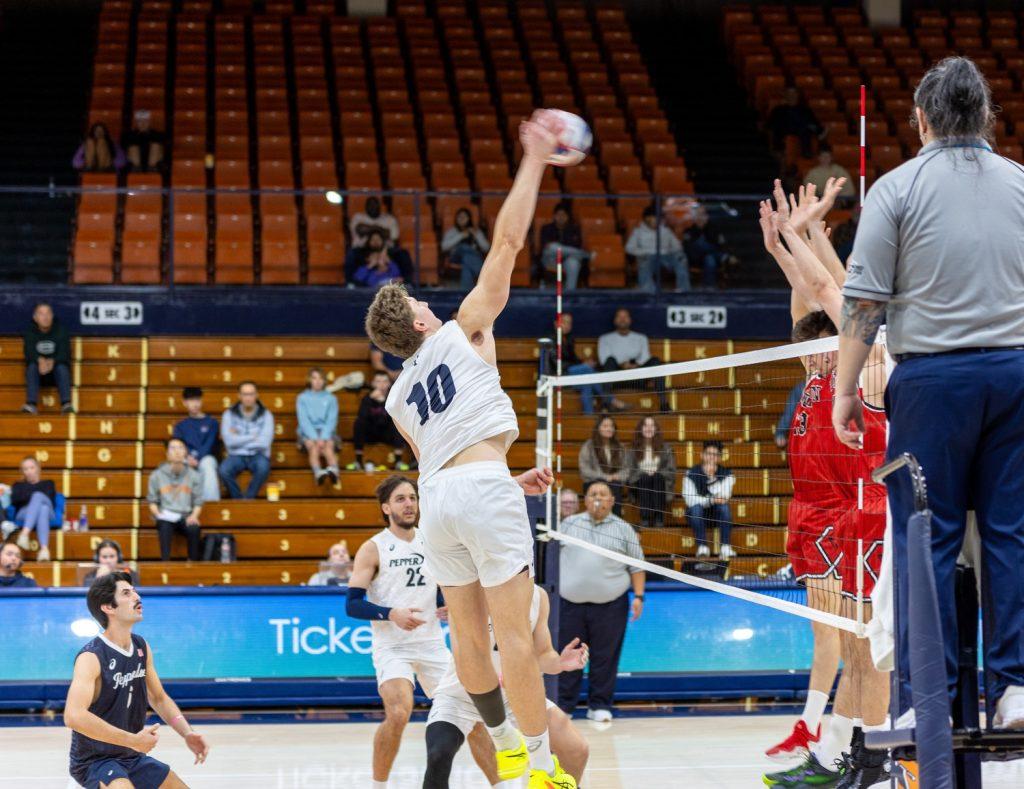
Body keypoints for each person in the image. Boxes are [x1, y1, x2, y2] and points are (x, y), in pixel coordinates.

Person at [366, 110, 573, 787]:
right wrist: (535, 157)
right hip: (481, 491)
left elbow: (448, 449)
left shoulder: (396, 400)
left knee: (468, 632)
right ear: (421, 318)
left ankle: (508, 741)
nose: (432, 301)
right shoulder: (465, 329)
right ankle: (540, 766)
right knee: (513, 633)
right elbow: (510, 240)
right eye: (424, 300)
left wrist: (510, 480)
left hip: (440, 500)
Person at [834, 56, 1024, 737]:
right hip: (1015, 374)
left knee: (929, 539)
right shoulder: (1021, 184)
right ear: (986, 118)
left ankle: (927, 698)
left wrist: (845, 391)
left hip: (933, 382)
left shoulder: (896, 188)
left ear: (920, 120)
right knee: (1010, 533)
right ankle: (1015, 689)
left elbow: (864, 302)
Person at [760, 182, 890, 785]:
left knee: (867, 650)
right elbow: (809, 303)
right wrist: (788, 244)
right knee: (854, 650)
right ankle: (840, 752)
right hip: (822, 513)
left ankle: (869, 753)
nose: (814, 346)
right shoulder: (816, 369)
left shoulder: (869, 363)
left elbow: (830, 293)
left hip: (863, 510)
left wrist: (800, 235)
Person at [424, 584, 591, 787]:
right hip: (460, 696)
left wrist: (560, 663)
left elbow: (544, 653)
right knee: (438, 754)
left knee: (576, 749)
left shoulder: (537, 595)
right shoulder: (467, 590)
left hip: (516, 695)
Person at [344, 476, 452, 789]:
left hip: (432, 645)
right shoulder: (373, 547)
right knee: (399, 710)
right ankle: (378, 785)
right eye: (401, 499)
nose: (409, 504)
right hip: (392, 647)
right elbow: (352, 604)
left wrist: (445, 604)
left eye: (413, 498)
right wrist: (390, 613)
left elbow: (437, 584)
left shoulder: (432, 541)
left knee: (468, 717)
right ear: (386, 507)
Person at [64, 572, 210, 788]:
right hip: (95, 761)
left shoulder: (141, 646)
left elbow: (159, 698)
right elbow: (73, 716)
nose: (136, 596)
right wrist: (132, 740)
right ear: (108, 607)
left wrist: (187, 732)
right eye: (126, 593)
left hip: (131, 756)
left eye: (134, 591)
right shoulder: (91, 657)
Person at [557, 480, 645, 722]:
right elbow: (552, 560)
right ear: (585, 500)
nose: (598, 498)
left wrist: (639, 596)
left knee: (605, 657)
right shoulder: (568, 524)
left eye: (603, 494)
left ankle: (599, 705)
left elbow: (637, 566)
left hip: (611, 604)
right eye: (593, 493)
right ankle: (564, 705)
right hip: (570, 605)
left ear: (612, 501)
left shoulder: (623, 528)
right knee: (568, 655)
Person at [551, 313, 625, 415]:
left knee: (587, 383)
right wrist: (583, 366)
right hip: (557, 377)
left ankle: (588, 417)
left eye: (569, 323)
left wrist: (583, 363)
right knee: (587, 369)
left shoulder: (569, 340)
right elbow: (558, 365)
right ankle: (611, 401)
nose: (567, 325)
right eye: (564, 322)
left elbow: (573, 359)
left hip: (570, 374)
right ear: (556, 324)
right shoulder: (551, 341)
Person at [597, 308, 669, 412]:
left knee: (655, 361)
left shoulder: (641, 338)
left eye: (625, 316)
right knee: (610, 361)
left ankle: (664, 403)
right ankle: (606, 403)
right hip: (616, 379)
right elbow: (604, 361)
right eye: (619, 317)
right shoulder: (605, 339)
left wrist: (634, 366)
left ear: (630, 320)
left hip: (637, 378)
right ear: (614, 320)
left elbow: (645, 358)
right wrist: (622, 365)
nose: (622, 319)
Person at [148, 438, 204, 561]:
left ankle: (193, 563)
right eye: (173, 448)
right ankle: (165, 563)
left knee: (194, 528)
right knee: (164, 526)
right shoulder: (156, 475)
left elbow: (198, 502)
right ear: (167, 454)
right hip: (166, 515)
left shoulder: (195, 475)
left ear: (186, 452)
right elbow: (152, 501)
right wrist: (158, 514)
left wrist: (194, 516)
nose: (177, 451)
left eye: (180, 447)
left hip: (185, 516)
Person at [219, 381, 274, 500]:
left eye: (251, 394)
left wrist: (238, 439)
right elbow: (229, 442)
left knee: (263, 467)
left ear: (257, 395)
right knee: (224, 470)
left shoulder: (266, 415)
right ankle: (238, 499)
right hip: (236, 456)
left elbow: (264, 443)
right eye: (245, 394)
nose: (248, 398)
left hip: (258, 455)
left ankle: (248, 499)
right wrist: (252, 437)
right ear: (239, 396)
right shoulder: (228, 414)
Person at [683, 441, 736, 560]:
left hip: (716, 515)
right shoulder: (690, 473)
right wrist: (710, 500)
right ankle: (702, 546)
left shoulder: (727, 475)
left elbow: (723, 497)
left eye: (715, 454)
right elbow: (690, 499)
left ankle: (725, 547)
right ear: (702, 455)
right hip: (696, 516)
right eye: (709, 454)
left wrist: (712, 478)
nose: (712, 457)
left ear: (720, 458)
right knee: (696, 508)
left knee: (724, 507)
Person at [347, 372, 409, 472]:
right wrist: (370, 400)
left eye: (384, 381)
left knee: (398, 424)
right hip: (371, 433)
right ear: (373, 384)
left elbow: (395, 417)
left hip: (387, 433)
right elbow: (362, 417)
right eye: (378, 381)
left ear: (389, 384)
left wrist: (384, 402)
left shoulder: (393, 398)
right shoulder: (367, 398)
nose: (381, 384)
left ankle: (398, 461)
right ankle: (358, 461)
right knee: (358, 423)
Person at [171, 386, 220, 503]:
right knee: (177, 464)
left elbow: (209, 445)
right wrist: (187, 457)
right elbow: (178, 446)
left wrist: (196, 459)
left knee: (207, 464)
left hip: (206, 458)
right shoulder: (180, 426)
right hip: (187, 458)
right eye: (191, 400)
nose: (195, 404)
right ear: (184, 403)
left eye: (198, 400)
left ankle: (210, 504)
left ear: (202, 401)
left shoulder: (212, 422)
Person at [22, 302, 72, 414]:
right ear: (35, 318)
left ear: (52, 316)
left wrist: (52, 361)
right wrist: (40, 360)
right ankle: (31, 404)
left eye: (48, 313)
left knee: (62, 367)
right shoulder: (30, 332)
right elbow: (29, 353)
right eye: (41, 314)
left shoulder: (61, 330)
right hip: (38, 373)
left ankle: (66, 404)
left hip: (56, 373)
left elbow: (65, 353)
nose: (45, 317)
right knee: (32, 366)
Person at [625, 205, 689, 292]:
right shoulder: (638, 231)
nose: (656, 220)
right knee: (644, 262)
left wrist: (668, 251)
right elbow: (629, 248)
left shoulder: (666, 230)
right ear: (647, 219)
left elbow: (677, 246)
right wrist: (643, 252)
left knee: (680, 257)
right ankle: (649, 291)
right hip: (648, 257)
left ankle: (683, 291)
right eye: (653, 218)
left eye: (658, 218)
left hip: (666, 256)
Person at [627, 416, 676, 529]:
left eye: (652, 425)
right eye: (645, 425)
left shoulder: (666, 448)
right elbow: (629, 473)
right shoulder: (633, 450)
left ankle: (659, 517)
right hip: (639, 487)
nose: (649, 428)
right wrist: (644, 472)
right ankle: (645, 518)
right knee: (645, 477)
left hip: (660, 486)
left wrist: (655, 472)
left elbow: (671, 471)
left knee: (657, 477)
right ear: (640, 429)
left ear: (656, 429)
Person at [296, 367, 340, 485]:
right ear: (309, 380)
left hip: (327, 431)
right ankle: (318, 473)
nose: (317, 381)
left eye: (320, 378)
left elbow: (331, 419)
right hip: (308, 432)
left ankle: (334, 471)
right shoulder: (302, 398)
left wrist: (323, 437)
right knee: (313, 446)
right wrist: (315, 438)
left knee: (329, 445)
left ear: (324, 380)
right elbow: (304, 420)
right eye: (314, 378)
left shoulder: (331, 398)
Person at [578, 416, 630, 512]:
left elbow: (626, 469)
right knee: (605, 487)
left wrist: (618, 476)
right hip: (593, 482)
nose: (609, 429)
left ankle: (615, 520)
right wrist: (605, 477)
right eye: (605, 426)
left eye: (611, 426)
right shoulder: (589, 446)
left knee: (615, 486)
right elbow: (584, 469)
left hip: (615, 484)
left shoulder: (620, 447)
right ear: (598, 428)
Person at [10, 456, 58, 562]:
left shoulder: (48, 483)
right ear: (22, 471)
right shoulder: (18, 485)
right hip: (23, 512)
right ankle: (44, 549)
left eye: (32, 467)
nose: (29, 471)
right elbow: (15, 500)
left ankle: (24, 534)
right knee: (42, 508)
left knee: (41, 501)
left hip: (50, 512)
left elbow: (49, 498)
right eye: (26, 469)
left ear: (38, 468)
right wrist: (35, 495)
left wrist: (32, 495)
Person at [539, 203, 590, 290]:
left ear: (567, 217)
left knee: (573, 263)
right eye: (558, 214)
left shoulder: (574, 229)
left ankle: (570, 294)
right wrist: (562, 250)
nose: (561, 217)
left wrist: (565, 252)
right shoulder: (546, 228)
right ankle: (585, 254)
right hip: (550, 260)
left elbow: (576, 246)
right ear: (554, 216)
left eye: (563, 215)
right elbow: (547, 247)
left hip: (567, 260)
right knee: (553, 247)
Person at [681, 204, 731, 289]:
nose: (702, 217)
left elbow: (719, 243)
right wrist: (699, 229)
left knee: (709, 259)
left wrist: (705, 228)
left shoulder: (713, 229)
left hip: (708, 257)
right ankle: (721, 256)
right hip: (694, 258)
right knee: (699, 243)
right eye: (700, 214)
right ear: (694, 217)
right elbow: (688, 248)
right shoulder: (689, 231)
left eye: (704, 214)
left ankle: (709, 287)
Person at [768, 86, 825, 159]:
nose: (792, 96)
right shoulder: (778, 109)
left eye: (794, 93)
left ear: (798, 95)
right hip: (785, 130)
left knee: (806, 127)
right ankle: (819, 132)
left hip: (801, 130)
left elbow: (814, 121)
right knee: (805, 124)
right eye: (789, 93)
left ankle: (807, 153)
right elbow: (771, 125)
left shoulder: (805, 109)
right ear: (785, 95)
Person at [441, 207, 491, 290]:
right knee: (464, 247)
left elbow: (486, 248)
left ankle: (465, 293)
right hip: (455, 257)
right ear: (456, 219)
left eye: (464, 217)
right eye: (459, 217)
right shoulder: (452, 231)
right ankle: (484, 274)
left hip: (470, 259)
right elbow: (444, 247)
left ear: (469, 219)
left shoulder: (476, 231)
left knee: (466, 264)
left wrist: (476, 235)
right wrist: (461, 235)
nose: (462, 219)